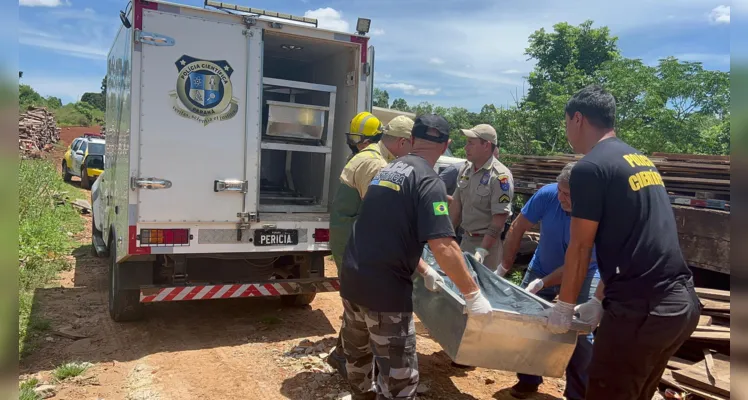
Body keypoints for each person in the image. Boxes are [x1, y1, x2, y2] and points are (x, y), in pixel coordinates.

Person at [544, 85, 701, 400]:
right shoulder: (639, 160)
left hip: (641, 314)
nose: (566, 130)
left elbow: (580, 246)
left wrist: (563, 306)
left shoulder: (589, 168)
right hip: (679, 306)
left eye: (565, 122)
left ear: (577, 119)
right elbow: (634, 242)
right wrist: (600, 300)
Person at [339, 114, 492, 400]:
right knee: (398, 384)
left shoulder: (387, 170)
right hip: (384, 293)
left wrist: (423, 270)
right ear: (446, 145)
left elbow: (386, 230)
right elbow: (444, 246)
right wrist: (473, 295)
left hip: (353, 279)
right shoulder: (428, 181)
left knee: (359, 367)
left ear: (410, 140)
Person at [499, 162, 600, 400]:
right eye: (561, 192)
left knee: (582, 331)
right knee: (526, 320)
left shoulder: (597, 212)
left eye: (568, 194)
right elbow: (517, 227)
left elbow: (578, 264)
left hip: (586, 272)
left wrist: (543, 283)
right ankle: (528, 379)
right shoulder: (547, 194)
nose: (562, 198)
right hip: (542, 265)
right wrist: (505, 265)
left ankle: (578, 393)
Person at [327, 113, 415, 376]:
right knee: (360, 301)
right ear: (402, 142)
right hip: (355, 241)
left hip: (350, 237)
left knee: (356, 299)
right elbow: (376, 210)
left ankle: (343, 352)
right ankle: (348, 358)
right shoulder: (374, 164)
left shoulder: (370, 157)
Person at [449, 124, 514, 272]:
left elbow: (499, 218)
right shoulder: (465, 170)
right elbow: (456, 206)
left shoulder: (500, 176)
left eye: (471, 143)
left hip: (487, 247)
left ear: (486, 145)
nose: (466, 148)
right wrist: (446, 236)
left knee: (482, 290)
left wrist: (482, 251)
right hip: (465, 240)